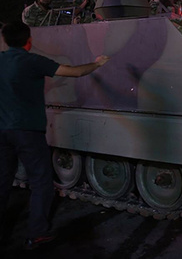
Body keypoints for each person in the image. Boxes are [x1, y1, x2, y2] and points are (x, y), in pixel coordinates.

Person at [0, 21, 110, 250]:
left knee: (2, 181)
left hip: (3, 131)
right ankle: (36, 233)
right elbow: (75, 72)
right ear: (28, 41)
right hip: (28, 132)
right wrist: (98, 63)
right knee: (41, 182)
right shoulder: (32, 61)